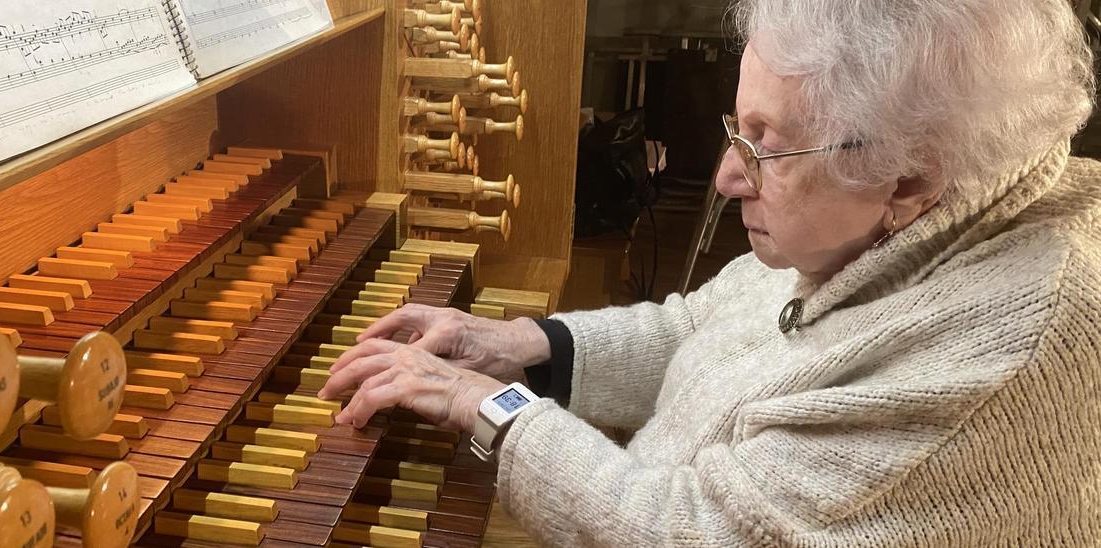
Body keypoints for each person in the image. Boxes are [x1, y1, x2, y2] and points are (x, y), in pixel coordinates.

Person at [319, 0, 1101, 544]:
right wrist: (519, 346)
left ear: (909, 179)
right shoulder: (895, 219)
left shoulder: (1004, 346)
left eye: (764, 143)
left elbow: (689, 532)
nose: (728, 174)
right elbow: (701, 328)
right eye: (739, 125)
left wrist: (488, 405)